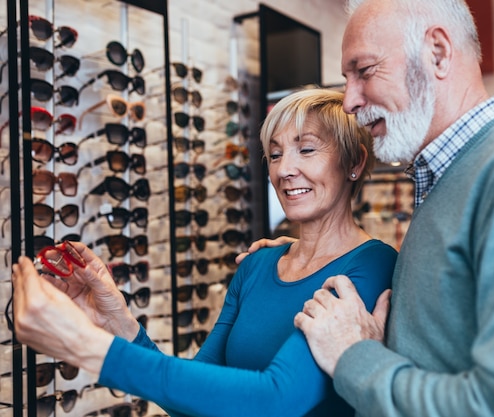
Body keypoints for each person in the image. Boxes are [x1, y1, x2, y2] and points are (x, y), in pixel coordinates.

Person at [245, 0, 494, 416]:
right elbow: (442, 343)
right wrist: (311, 257)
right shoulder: (455, 180)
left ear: (438, 53)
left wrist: (356, 357)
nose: (350, 101)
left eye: (365, 71)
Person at [10, 88, 398, 417]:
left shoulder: (372, 265)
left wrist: (92, 349)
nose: (284, 170)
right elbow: (192, 403)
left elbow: (279, 398)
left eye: (307, 149)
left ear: (354, 163)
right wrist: (119, 325)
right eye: (275, 154)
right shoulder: (257, 265)